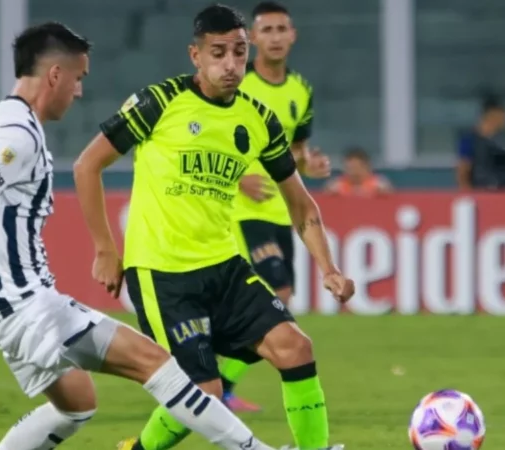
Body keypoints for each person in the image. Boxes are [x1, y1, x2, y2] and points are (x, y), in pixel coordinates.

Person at [0, 22, 283, 450]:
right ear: (55, 75)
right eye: (78, 78)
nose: (79, 91)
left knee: (77, 403)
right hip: (25, 305)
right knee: (157, 363)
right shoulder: (17, 133)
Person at [72, 5, 354, 450]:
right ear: (196, 56)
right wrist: (106, 249)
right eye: (218, 53)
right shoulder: (159, 102)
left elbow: (301, 205)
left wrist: (330, 268)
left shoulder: (259, 119)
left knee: (295, 347)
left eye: (239, 53)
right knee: (204, 395)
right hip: (163, 273)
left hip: (224, 266)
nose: (230, 64)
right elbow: (87, 166)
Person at [221, 1, 332, 413]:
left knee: (279, 299)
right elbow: (210, 141)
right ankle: (219, 384)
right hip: (239, 211)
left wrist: (309, 165)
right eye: (266, 30)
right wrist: (238, 178)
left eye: (281, 29)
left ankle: (216, 382)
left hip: (280, 211)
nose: (275, 37)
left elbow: (295, 151)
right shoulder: (237, 85)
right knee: (277, 289)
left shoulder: (300, 90)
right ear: (252, 39)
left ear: (293, 35)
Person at [456, 95, 505, 190]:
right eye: (501, 117)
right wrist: (468, 192)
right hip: (480, 191)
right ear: (490, 116)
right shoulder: (470, 139)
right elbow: (463, 170)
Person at [325, 147, 392, 196]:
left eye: (356, 168)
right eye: (349, 168)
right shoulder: (336, 185)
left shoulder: (379, 184)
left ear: (367, 167)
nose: (353, 172)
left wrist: (385, 194)